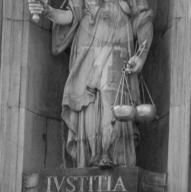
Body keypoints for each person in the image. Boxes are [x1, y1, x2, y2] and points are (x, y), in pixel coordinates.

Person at [28, 0, 154, 168]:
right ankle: (91, 157)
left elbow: (143, 17)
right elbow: (72, 15)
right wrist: (48, 11)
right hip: (87, 47)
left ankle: (111, 155)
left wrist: (141, 55)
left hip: (118, 44)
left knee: (114, 99)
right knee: (88, 101)